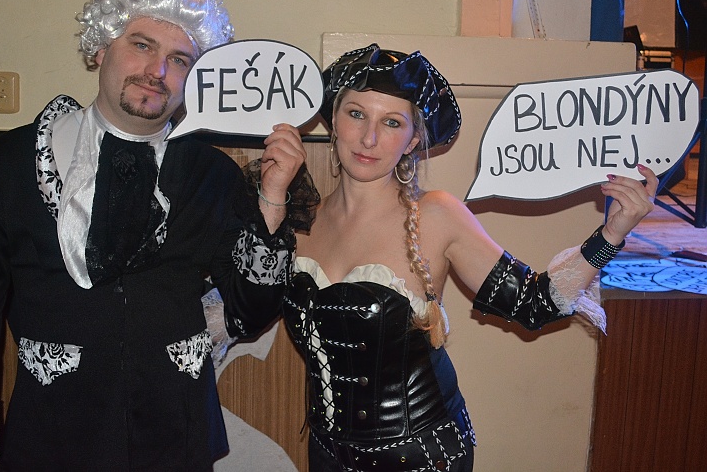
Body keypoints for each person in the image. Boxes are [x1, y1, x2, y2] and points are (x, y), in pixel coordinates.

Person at [0, 0, 312, 471]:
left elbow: (249, 313)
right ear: (101, 47)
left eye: (179, 59)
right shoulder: (4, 166)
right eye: (141, 45)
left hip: (178, 440)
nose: (157, 70)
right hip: (50, 438)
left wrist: (272, 199)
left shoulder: (212, 174)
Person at [278, 44, 658, 472]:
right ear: (333, 120)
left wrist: (612, 234)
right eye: (356, 114)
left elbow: (534, 304)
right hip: (326, 454)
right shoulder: (302, 219)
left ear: (413, 139)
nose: (369, 138)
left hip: (421, 457)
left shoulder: (436, 215)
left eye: (392, 122)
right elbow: (245, 306)